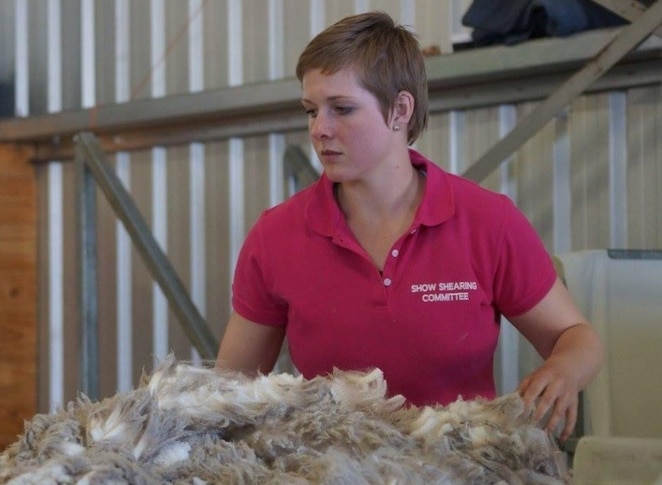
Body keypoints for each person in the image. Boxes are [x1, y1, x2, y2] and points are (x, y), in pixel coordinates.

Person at [215, 10, 603, 442]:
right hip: (334, 467)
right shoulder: (276, 237)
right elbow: (230, 389)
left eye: (342, 109)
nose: (320, 129)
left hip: (459, 466)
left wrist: (563, 370)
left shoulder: (487, 222)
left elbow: (577, 336)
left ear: (400, 109)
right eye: (311, 111)